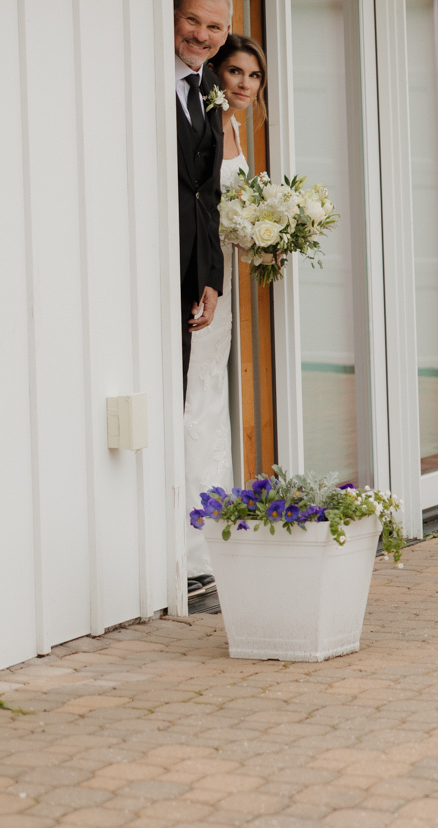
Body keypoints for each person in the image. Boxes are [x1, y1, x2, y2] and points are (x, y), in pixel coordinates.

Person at [184, 32, 268, 590]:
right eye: (235, 72)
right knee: (195, 400)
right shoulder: (208, 121)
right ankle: (191, 549)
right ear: (217, 71)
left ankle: (215, 541)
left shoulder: (238, 126)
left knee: (214, 399)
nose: (243, 83)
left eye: (254, 75)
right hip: (203, 279)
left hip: (227, 284)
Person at [174, 0, 232, 403]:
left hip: (191, 274)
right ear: (174, 16)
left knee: (176, 385)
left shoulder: (212, 88)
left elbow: (207, 194)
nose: (200, 35)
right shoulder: (139, 76)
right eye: (192, 20)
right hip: (145, 267)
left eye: (214, 27)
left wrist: (212, 277)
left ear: (226, 32)